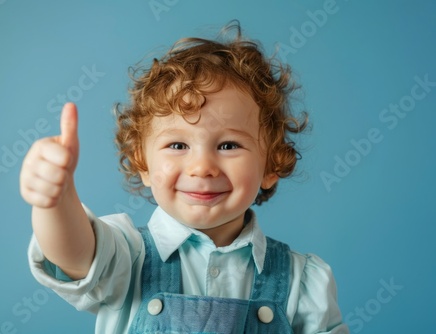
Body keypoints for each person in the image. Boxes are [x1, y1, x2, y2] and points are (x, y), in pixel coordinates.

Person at [21, 21, 349, 333]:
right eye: (178, 144)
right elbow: (73, 254)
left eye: (229, 144)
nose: (202, 166)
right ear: (142, 164)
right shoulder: (126, 255)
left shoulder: (301, 280)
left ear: (272, 165)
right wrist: (56, 201)